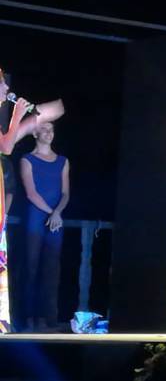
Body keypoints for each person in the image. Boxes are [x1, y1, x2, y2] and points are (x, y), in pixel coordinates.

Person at [19, 122, 70, 332]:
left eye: (51, 130)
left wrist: (57, 213)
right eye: (44, 130)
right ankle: (28, 318)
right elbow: (31, 193)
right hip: (36, 217)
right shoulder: (27, 160)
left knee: (51, 270)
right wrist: (51, 212)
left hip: (55, 221)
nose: (49, 133)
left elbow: (66, 192)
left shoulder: (63, 161)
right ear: (35, 133)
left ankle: (48, 319)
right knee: (31, 268)